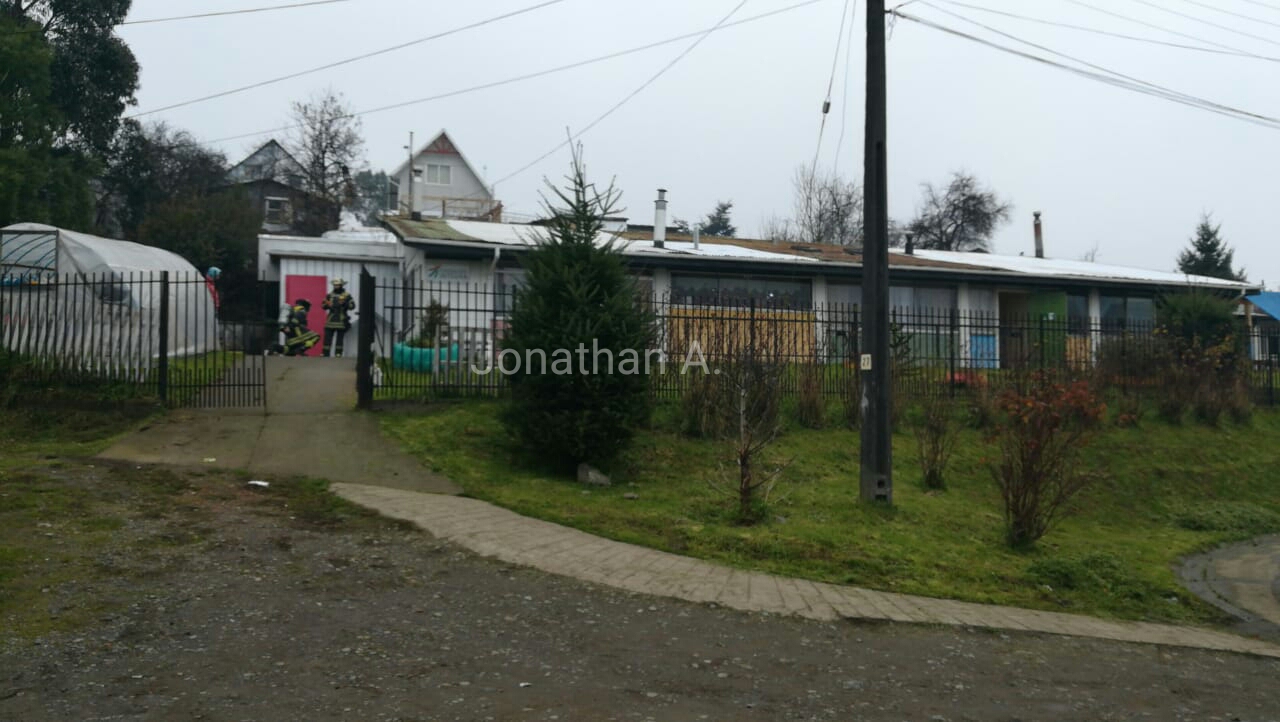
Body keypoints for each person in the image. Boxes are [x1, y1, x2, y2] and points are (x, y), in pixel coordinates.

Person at [321, 277, 356, 357]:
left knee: (340, 338)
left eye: (338, 285)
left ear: (341, 285)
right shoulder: (329, 295)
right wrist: (327, 305)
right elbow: (323, 305)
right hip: (330, 319)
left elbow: (352, 306)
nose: (336, 286)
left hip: (341, 319)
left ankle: (338, 354)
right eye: (335, 285)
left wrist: (345, 304)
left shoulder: (347, 295)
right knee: (327, 338)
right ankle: (325, 353)